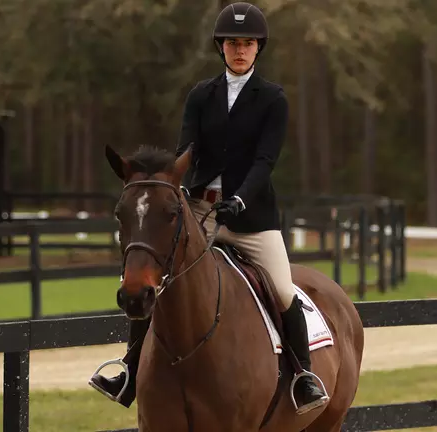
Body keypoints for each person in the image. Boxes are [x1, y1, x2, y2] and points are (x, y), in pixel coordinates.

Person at [89, 2, 329, 415]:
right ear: (221, 47)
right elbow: (187, 150)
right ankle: (129, 369)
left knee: (284, 289)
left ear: (258, 49)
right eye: (233, 43)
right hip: (199, 208)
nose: (240, 50)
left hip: (251, 217)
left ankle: (304, 375)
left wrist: (240, 198)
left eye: (248, 43)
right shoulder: (201, 95)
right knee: (156, 280)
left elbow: (265, 161)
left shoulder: (272, 99)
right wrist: (178, 188)